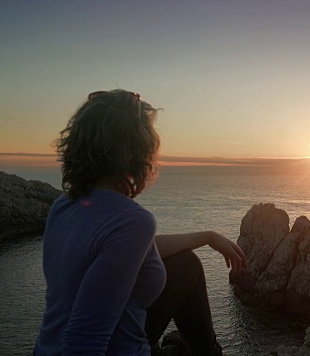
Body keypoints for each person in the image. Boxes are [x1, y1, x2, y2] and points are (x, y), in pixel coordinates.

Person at [33, 90, 246, 356]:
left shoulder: (63, 205)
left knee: (185, 265)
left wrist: (207, 236)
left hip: (48, 348)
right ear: (136, 152)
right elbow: (84, 341)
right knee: (187, 268)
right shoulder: (132, 221)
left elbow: (121, 251)